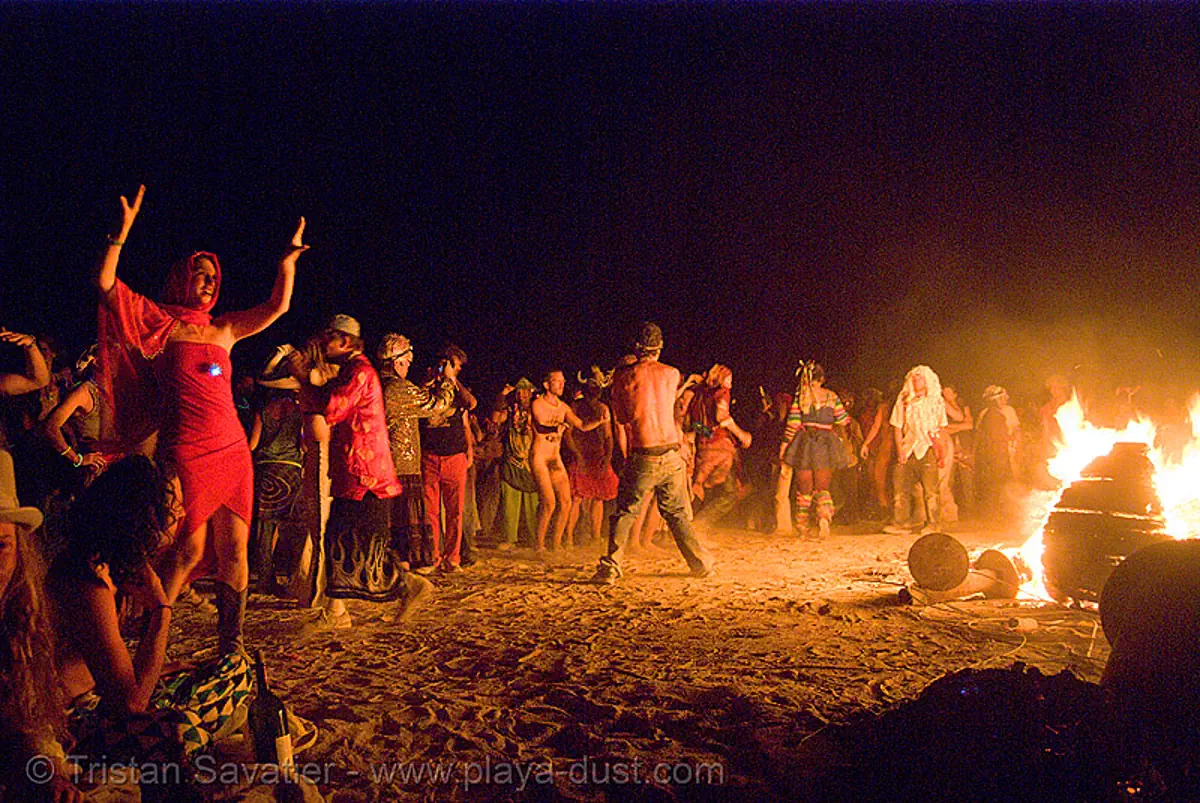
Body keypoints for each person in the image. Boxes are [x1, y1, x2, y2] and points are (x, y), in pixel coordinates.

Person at [94, 185, 306, 656]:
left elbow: (278, 307)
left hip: (233, 450)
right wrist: (119, 236)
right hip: (186, 448)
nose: (210, 282)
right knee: (185, 551)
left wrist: (286, 266)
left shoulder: (224, 329)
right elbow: (107, 285)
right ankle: (151, 636)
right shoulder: (160, 322)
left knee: (235, 550)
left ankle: (232, 647)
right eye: (200, 274)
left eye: (214, 276)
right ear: (180, 279)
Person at [48, 456, 253, 783]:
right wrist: (161, 611)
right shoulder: (87, 579)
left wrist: (166, 668)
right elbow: (132, 703)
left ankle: (199, 731)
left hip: (104, 696)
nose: (180, 516)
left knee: (236, 670)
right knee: (176, 728)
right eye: (172, 507)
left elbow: (111, 667)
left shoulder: (118, 560)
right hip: (72, 722)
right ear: (141, 514)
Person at [298, 316, 433, 628]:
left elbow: (332, 407)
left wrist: (303, 378)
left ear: (345, 341)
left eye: (329, 338)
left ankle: (400, 590)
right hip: (359, 472)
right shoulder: (353, 371)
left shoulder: (360, 372)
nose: (323, 344)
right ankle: (344, 609)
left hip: (365, 474)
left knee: (351, 541)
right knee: (348, 540)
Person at [590, 323, 715, 585]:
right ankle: (701, 564)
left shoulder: (624, 378)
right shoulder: (672, 374)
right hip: (672, 452)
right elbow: (669, 405)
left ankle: (611, 567)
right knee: (677, 513)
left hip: (644, 454)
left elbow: (624, 418)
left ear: (636, 347)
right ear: (659, 348)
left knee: (626, 511)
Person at [0, 449, 82, 802]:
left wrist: (49, 773)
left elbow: (32, 718)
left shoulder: (21, 616)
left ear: (19, 549)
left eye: (0, 546)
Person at [377, 333, 455, 571]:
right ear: (398, 361)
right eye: (407, 361)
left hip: (387, 465)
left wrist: (423, 388)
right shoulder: (397, 388)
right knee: (401, 527)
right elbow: (437, 406)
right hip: (401, 466)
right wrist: (449, 382)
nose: (409, 365)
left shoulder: (383, 385)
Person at [247, 346, 307, 595]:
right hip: (290, 470)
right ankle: (294, 575)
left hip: (265, 470)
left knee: (265, 528)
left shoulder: (262, 411)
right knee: (291, 526)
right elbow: (303, 444)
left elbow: (252, 443)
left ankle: (264, 577)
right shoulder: (300, 411)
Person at [530, 369, 605, 552]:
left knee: (566, 502)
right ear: (547, 385)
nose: (562, 384)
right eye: (557, 381)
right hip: (540, 457)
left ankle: (556, 544)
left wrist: (599, 421)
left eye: (563, 381)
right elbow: (540, 424)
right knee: (549, 502)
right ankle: (539, 546)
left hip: (554, 458)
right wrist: (559, 427)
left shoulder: (563, 407)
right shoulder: (538, 404)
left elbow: (581, 425)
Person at [418, 345, 478, 573]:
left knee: (455, 512)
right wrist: (430, 380)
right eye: (453, 364)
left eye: (454, 366)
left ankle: (453, 558)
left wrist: (469, 449)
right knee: (431, 512)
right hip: (430, 456)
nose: (454, 368)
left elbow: (470, 407)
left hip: (454, 456)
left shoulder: (457, 391)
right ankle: (434, 557)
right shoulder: (426, 386)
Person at [778, 362, 849, 539]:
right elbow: (843, 420)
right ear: (822, 379)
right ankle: (824, 519)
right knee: (822, 487)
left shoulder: (801, 397)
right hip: (825, 443)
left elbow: (793, 423)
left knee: (805, 490)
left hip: (805, 444)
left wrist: (784, 446)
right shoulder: (831, 396)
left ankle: (803, 527)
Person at [884, 366, 947, 534]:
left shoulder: (936, 401)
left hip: (928, 448)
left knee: (931, 490)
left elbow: (942, 427)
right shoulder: (904, 400)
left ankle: (934, 523)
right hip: (908, 447)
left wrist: (941, 451)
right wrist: (900, 451)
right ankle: (901, 523)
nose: (916, 380)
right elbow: (897, 426)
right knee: (900, 488)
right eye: (914, 377)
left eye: (920, 377)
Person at [564, 367, 620, 546]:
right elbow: (568, 435)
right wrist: (577, 454)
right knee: (577, 497)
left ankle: (595, 536)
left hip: (598, 456)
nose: (595, 390)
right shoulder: (575, 407)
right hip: (581, 455)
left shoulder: (603, 409)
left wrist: (608, 456)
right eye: (592, 385)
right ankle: (569, 537)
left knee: (598, 497)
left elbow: (609, 436)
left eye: (598, 386)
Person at [494, 378, 539, 550]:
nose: (522, 395)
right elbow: (496, 418)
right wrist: (502, 396)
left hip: (531, 461)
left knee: (533, 504)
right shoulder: (510, 410)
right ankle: (510, 538)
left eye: (526, 391)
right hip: (512, 460)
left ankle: (535, 538)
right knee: (510, 502)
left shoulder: (538, 409)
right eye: (519, 391)